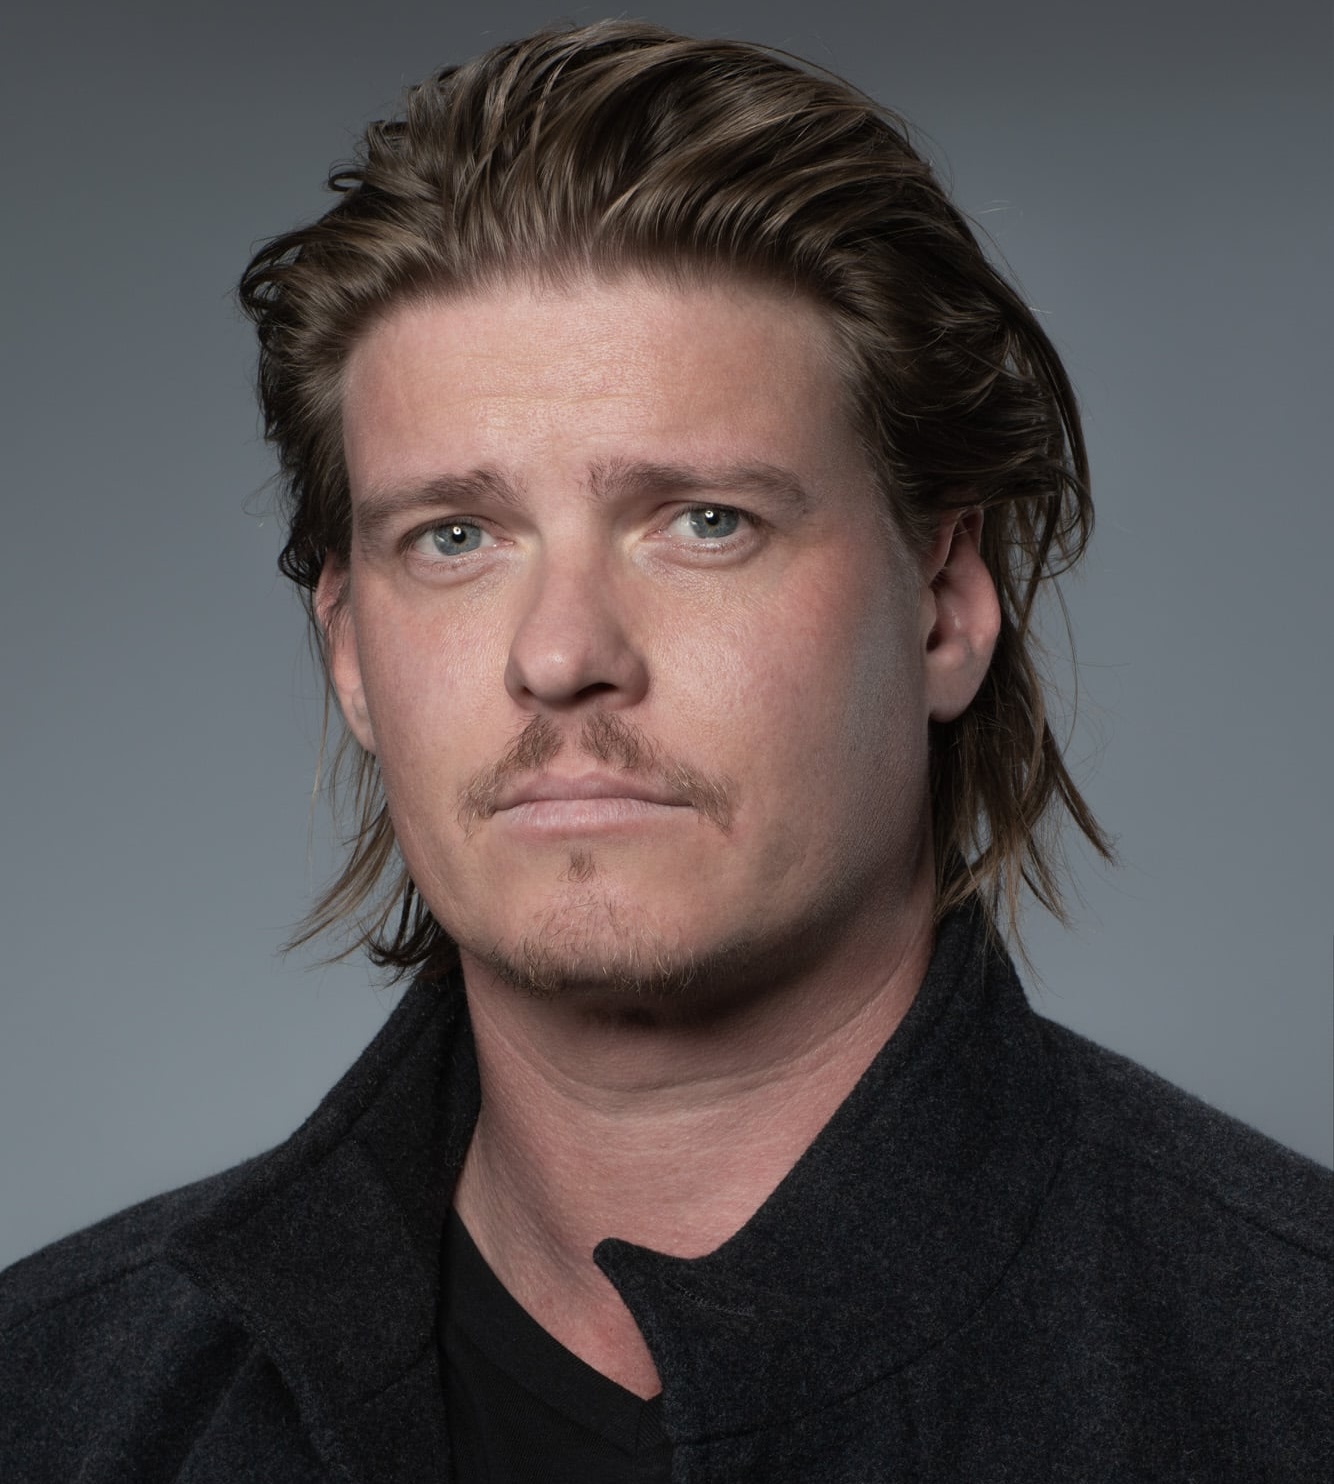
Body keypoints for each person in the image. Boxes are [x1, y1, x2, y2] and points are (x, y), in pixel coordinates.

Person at [1, 19, 1328, 1482]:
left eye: (705, 521)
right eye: (455, 537)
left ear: (945, 605)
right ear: (350, 652)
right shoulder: (53, 1401)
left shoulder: (1288, 1373)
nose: (562, 653)